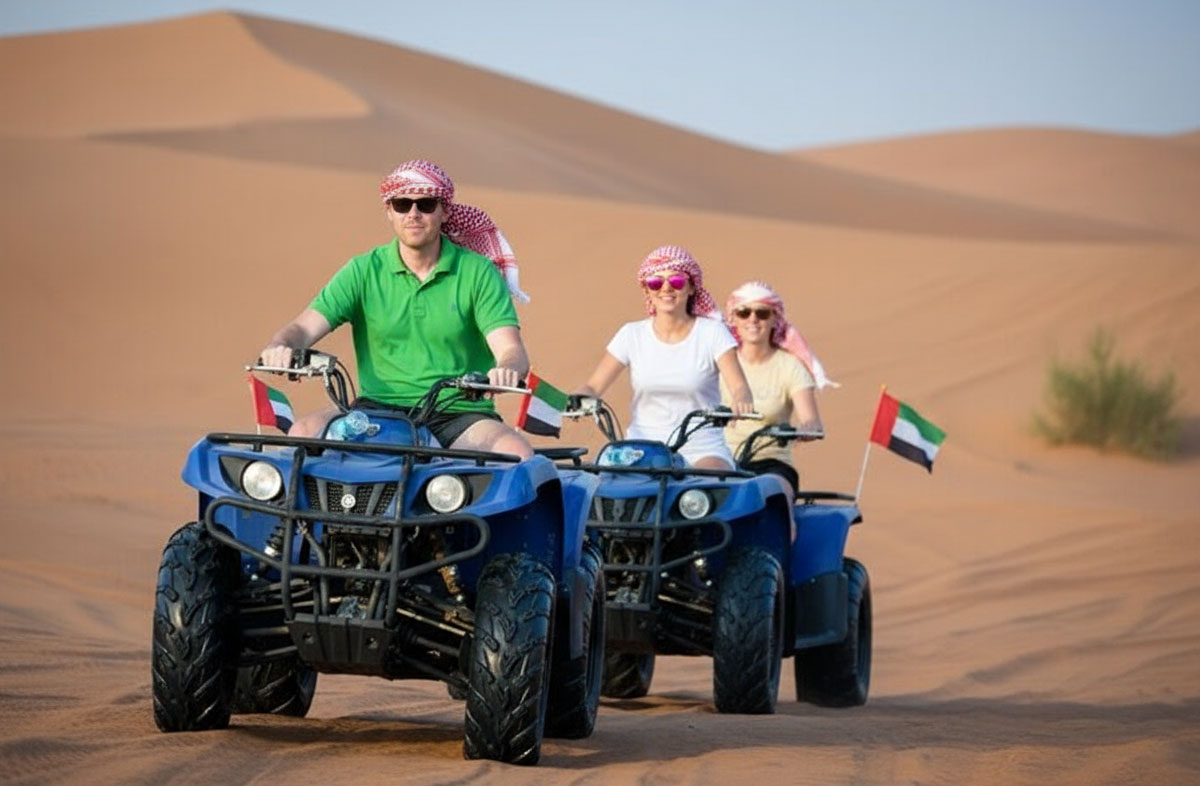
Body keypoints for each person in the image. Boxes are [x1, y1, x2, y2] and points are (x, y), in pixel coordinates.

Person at [258, 159, 535, 458]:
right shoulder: (364, 271)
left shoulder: (477, 272)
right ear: (389, 211)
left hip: (457, 413)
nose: (413, 214)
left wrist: (505, 371)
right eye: (403, 204)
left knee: (515, 452)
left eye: (426, 204)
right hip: (377, 408)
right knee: (303, 434)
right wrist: (281, 346)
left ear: (445, 212)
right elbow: (303, 328)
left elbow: (511, 350)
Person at [574, 245, 754, 470]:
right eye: (656, 283)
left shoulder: (712, 333)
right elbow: (594, 385)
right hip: (641, 447)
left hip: (702, 448)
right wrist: (579, 398)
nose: (666, 289)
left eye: (676, 281)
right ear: (647, 290)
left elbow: (739, 387)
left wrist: (742, 400)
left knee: (712, 482)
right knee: (598, 484)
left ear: (690, 288)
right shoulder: (632, 334)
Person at [721, 281, 834, 493]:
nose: (753, 319)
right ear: (733, 318)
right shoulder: (722, 362)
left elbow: (810, 418)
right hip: (720, 461)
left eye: (762, 313)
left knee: (777, 498)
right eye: (744, 313)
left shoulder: (790, 367)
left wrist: (808, 429)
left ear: (775, 319)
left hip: (771, 463)